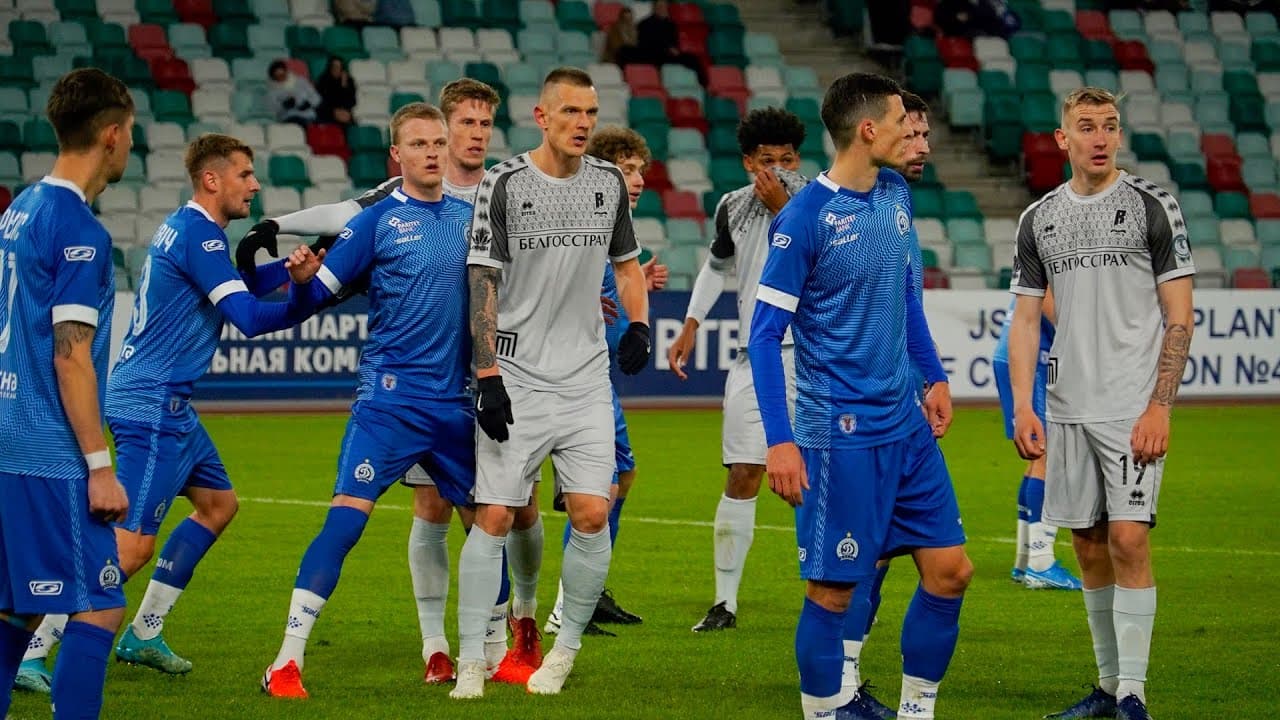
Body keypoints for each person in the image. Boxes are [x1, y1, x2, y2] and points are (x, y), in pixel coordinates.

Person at [749, 72, 972, 720]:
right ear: (869, 129)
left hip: (904, 427)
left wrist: (931, 377)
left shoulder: (897, 194)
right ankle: (824, 713)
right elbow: (765, 338)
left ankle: (916, 712)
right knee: (833, 593)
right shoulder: (804, 219)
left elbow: (906, 299)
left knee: (950, 571)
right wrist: (781, 441)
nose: (916, 134)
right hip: (837, 435)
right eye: (906, 122)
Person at [260, 102, 477, 699]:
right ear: (397, 156)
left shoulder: (471, 218)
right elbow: (313, 301)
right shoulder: (375, 221)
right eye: (419, 144)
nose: (432, 152)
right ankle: (287, 659)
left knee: (487, 528)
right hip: (389, 403)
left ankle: (471, 654)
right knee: (345, 522)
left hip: (457, 405)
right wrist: (302, 281)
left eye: (438, 142)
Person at [451, 66, 650, 699]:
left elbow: (627, 267)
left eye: (590, 113)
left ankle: (561, 653)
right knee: (495, 516)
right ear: (542, 117)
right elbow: (482, 279)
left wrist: (640, 324)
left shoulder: (609, 185)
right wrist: (486, 373)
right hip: (518, 376)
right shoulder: (503, 185)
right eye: (570, 112)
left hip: (586, 377)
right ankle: (471, 660)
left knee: (594, 512)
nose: (583, 123)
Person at [1009, 86, 1195, 720]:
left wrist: (1159, 407)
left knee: (1128, 539)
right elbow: (1027, 321)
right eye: (1085, 127)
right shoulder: (1038, 219)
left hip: (1131, 405)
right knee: (1088, 542)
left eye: (1109, 126)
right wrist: (1023, 408)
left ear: (1119, 136)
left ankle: (1135, 693)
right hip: (1066, 409)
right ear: (1063, 139)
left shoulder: (1153, 207)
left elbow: (1179, 317)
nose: (1098, 137)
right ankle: (1108, 685)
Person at [0, 67, 134, 720]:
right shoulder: (80, 230)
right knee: (102, 602)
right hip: (46, 448)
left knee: (17, 606)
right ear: (111, 135)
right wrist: (100, 466)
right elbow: (72, 354)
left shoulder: (19, 209)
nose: (130, 146)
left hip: (5, 433)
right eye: (130, 133)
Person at [666, 107, 807, 635]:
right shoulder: (732, 207)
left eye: (787, 158)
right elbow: (717, 266)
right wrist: (691, 322)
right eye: (766, 159)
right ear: (749, 162)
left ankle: (839, 590)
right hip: (757, 357)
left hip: (818, 356)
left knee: (829, 477)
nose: (777, 168)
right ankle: (725, 602)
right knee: (743, 473)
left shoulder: (820, 200)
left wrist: (786, 208)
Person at [544, 125, 667, 637]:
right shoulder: (583, 216)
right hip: (563, 374)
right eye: (626, 168)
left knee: (621, 478)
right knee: (599, 486)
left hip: (597, 372)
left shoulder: (621, 229)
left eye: (640, 169)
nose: (636, 179)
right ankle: (564, 606)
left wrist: (642, 288)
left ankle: (587, 594)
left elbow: (615, 296)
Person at [993, 287, 1084, 590]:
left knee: (1037, 456)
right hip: (1033, 357)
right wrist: (1082, 335)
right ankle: (1041, 562)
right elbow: (1046, 294)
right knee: (1050, 453)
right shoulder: (1061, 239)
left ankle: (1024, 559)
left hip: (1014, 352)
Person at [635, 0, 707, 85]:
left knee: (692, 58)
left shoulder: (671, 24)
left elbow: (674, 43)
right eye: (659, 6)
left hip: (669, 55)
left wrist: (674, 50)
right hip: (653, 55)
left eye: (664, 6)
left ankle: (704, 85)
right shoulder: (644, 24)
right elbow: (644, 44)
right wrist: (667, 48)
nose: (662, 9)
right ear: (654, 8)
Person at [267, 60, 321, 127]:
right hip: (289, 117)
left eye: (282, 75)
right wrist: (284, 105)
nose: (281, 78)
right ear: (274, 77)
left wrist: (309, 103)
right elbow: (272, 109)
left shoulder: (300, 81)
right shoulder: (273, 90)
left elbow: (316, 97)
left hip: (308, 115)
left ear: (286, 72)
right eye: (278, 76)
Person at [316, 56, 357, 127]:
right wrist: (335, 111)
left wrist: (344, 85)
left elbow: (352, 101)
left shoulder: (348, 81)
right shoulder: (324, 80)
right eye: (334, 67)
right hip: (328, 112)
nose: (337, 70)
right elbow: (323, 100)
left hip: (344, 111)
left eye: (339, 67)